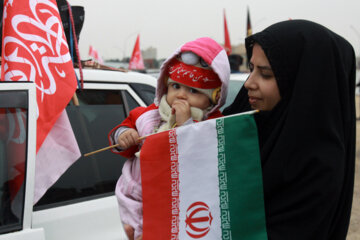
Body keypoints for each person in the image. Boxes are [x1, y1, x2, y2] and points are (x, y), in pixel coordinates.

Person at [223, 19, 356, 239]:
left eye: (265, 74)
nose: (249, 82)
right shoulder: (249, 120)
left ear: (303, 85)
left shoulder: (317, 168)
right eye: (252, 69)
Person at [108, 37, 230, 240]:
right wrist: (123, 136)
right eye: (176, 87)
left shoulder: (214, 126)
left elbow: (207, 163)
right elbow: (125, 128)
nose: (181, 95)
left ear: (213, 97)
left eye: (193, 91)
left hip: (177, 202)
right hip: (135, 195)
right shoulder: (149, 114)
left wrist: (186, 127)